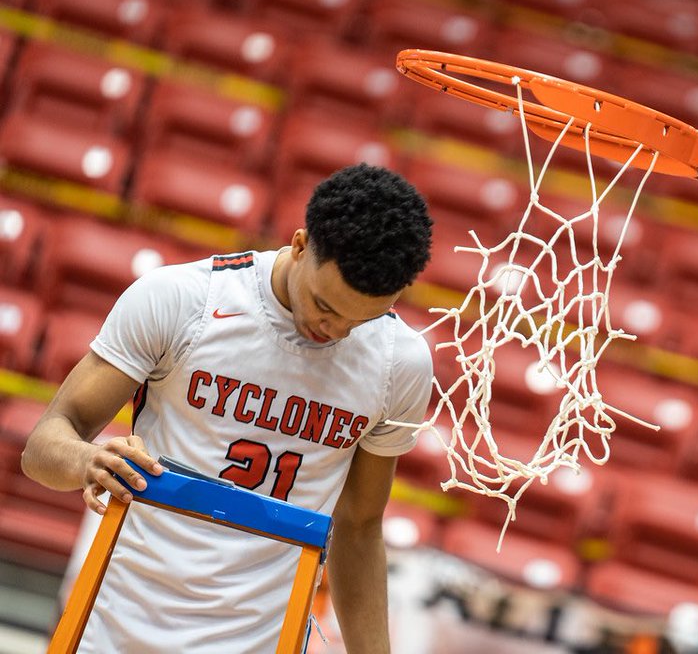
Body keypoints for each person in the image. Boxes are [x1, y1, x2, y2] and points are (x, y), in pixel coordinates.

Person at [22, 163, 435, 653]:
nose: (336, 330)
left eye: (360, 320)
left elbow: (360, 529)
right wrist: (86, 459)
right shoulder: (184, 300)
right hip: (119, 622)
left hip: (259, 640)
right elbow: (43, 445)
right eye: (326, 306)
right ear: (300, 246)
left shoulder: (399, 363)